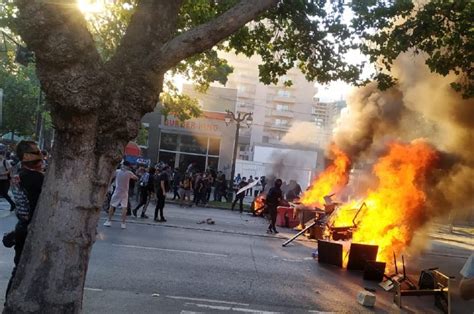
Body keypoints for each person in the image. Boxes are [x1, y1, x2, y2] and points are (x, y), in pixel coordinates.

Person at [5, 141, 44, 300]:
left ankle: (10, 301)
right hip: (31, 230)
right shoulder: (36, 178)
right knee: (24, 270)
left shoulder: (19, 174)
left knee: (19, 269)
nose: (42, 160)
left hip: (22, 227)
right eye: (38, 157)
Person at [104, 161, 138, 229]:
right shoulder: (129, 173)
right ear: (128, 166)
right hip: (125, 192)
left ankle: (109, 220)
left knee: (112, 205)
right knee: (124, 208)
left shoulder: (117, 171)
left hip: (117, 191)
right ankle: (123, 223)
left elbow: (111, 177)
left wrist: (108, 186)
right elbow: (136, 178)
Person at [0, 146, 15, 211]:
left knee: (4, 194)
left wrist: (2, 174)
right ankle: (12, 204)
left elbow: (9, 170)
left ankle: (12, 204)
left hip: (5, 180)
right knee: (3, 193)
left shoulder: (5, 162)